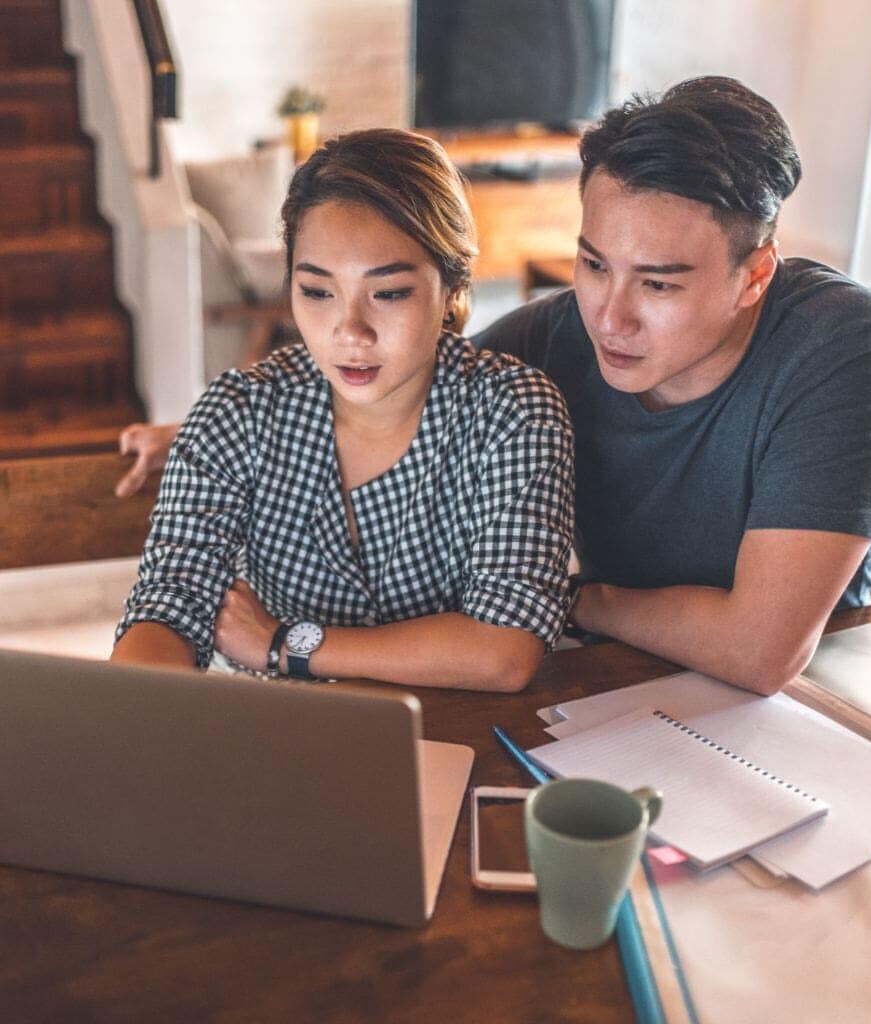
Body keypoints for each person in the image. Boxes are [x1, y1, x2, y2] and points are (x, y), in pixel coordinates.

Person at [119, 77, 871, 697]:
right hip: (607, 688)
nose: (610, 316)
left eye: (658, 286)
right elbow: (396, 380)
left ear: (753, 276)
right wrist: (200, 433)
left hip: (805, 705)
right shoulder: (551, 339)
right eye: (594, 263)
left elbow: (762, 650)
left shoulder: (838, 343)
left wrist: (575, 601)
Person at [111, 129, 575, 692]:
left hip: (459, 733)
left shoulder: (513, 414)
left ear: (452, 284)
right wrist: (130, 713)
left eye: (389, 292)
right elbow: (170, 604)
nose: (349, 332)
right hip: (284, 737)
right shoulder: (236, 413)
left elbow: (505, 648)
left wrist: (284, 644)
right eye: (317, 291)